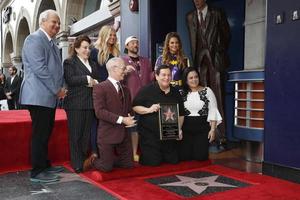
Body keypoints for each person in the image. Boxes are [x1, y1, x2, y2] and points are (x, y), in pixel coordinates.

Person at [19, 9, 67, 183]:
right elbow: (40, 69)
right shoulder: (34, 39)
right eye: (53, 22)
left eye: (58, 23)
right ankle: (37, 171)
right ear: (42, 22)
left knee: (45, 132)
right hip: (38, 95)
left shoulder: (51, 42)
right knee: (40, 133)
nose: (57, 25)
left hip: (47, 97)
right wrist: (57, 90)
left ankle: (45, 165)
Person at [186, 0, 230, 140]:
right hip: (199, 60)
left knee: (218, 96)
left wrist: (218, 50)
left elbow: (226, 35)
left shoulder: (216, 13)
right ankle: (205, 134)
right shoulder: (190, 16)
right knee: (202, 97)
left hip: (215, 60)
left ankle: (221, 136)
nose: (196, 1)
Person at [132, 65, 184, 166]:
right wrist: (148, 110)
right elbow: (135, 106)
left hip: (169, 136)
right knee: (153, 163)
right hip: (150, 136)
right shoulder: (147, 90)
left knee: (173, 161)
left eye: (169, 75)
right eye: (163, 75)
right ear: (156, 76)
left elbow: (181, 114)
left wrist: (179, 129)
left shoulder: (176, 92)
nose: (167, 77)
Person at [91, 57, 136, 172]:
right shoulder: (99, 88)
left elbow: (129, 109)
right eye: (123, 68)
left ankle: (110, 159)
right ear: (114, 69)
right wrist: (122, 119)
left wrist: (130, 116)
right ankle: (93, 160)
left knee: (128, 165)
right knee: (106, 168)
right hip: (107, 134)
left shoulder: (125, 89)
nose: (125, 71)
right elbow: (99, 112)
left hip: (123, 134)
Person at [63, 35, 100, 173]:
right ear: (77, 48)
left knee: (86, 135)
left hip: (90, 103)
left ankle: (84, 160)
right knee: (76, 134)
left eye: (89, 47)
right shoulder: (69, 62)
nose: (87, 50)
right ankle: (77, 163)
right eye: (84, 47)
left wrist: (93, 81)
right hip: (75, 104)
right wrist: (87, 79)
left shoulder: (93, 64)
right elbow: (70, 79)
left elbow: (97, 81)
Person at [89, 25, 120, 158]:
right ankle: (96, 152)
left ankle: (110, 152)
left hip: (113, 90)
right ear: (104, 36)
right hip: (100, 90)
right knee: (98, 122)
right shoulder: (95, 52)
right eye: (110, 35)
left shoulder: (115, 52)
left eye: (114, 35)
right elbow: (93, 73)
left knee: (110, 121)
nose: (112, 37)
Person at [179, 67, 222, 161]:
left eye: (196, 77)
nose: (194, 80)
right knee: (184, 157)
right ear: (186, 80)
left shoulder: (207, 91)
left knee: (200, 157)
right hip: (185, 129)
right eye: (191, 78)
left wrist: (213, 130)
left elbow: (213, 110)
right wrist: (178, 130)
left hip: (202, 129)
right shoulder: (181, 93)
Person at [122, 36, 153, 161]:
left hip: (145, 100)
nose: (135, 45)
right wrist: (124, 72)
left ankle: (146, 151)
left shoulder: (146, 61)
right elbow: (119, 80)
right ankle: (133, 153)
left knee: (145, 127)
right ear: (127, 46)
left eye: (137, 43)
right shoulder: (122, 61)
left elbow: (151, 79)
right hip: (131, 100)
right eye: (132, 43)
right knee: (133, 128)